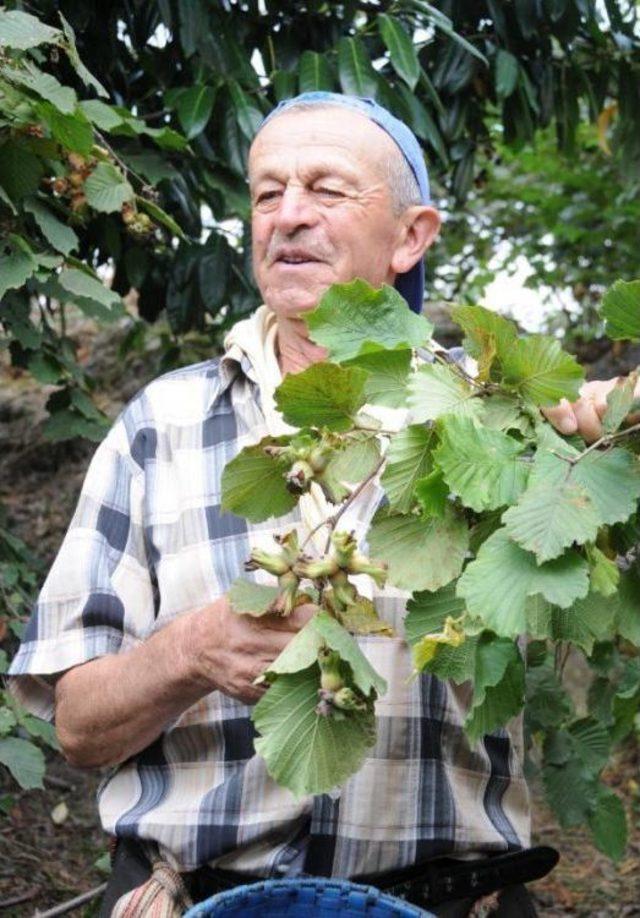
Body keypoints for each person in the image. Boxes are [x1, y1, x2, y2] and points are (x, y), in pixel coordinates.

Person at [7, 92, 629, 917]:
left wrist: (598, 457)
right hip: (195, 900)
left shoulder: (503, 418)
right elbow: (78, 730)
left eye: (327, 190)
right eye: (268, 193)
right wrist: (189, 651)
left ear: (412, 237)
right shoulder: (161, 427)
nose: (288, 217)